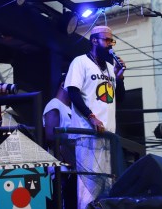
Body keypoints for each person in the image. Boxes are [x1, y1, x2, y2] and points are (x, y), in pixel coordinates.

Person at [64, 25, 126, 209]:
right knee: (89, 189)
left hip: (108, 136)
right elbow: (73, 93)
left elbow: (120, 99)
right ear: (93, 40)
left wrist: (120, 79)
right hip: (88, 134)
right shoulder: (80, 62)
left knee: (107, 188)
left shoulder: (110, 68)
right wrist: (91, 117)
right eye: (106, 40)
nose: (110, 45)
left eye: (111, 41)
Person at [43, 72, 76, 208]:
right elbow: (51, 135)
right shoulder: (54, 105)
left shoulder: (70, 109)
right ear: (63, 85)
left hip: (70, 169)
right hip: (59, 170)